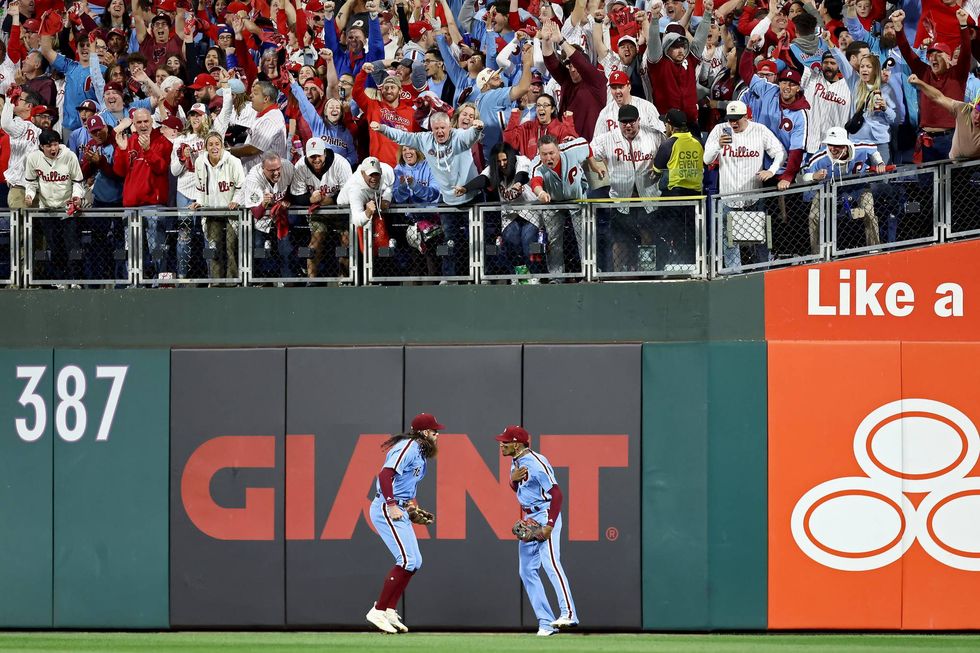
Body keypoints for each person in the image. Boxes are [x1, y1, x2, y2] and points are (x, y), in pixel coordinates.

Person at [366, 412, 444, 634]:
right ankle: (378, 610)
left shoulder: (419, 451)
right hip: (386, 507)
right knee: (407, 559)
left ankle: (389, 609)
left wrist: (411, 507)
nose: (437, 434)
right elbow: (385, 475)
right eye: (434, 431)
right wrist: (391, 504)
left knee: (415, 561)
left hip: (399, 506)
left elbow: (404, 482)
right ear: (422, 432)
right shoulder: (408, 447)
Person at [496, 425, 578, 637]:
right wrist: (512, 481)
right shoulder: (515, 463)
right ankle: (546, 622)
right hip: (529, 517)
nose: (502, 444)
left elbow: (557, 494)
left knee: (551, 563)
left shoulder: (536, 462)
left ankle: (569, 613)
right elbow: (521, 488)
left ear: (517, 443)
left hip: (545, 513)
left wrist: (549, 524)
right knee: (526, 570)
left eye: (506, 441)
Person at [703, 100, 786, 270]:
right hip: (728, 197)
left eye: (737, 119)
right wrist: (718, 145)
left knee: (759, 238)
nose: (733, 123)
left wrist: (771, 170)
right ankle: (735, 275)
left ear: (746, 116)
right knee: (729, 241)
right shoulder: (719, 130)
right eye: (730, 119)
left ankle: (762, 271)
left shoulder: (759, 130)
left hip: (754, 197)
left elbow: (780, 152)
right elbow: (706, 159)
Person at [801, 126, 885, 253]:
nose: (832, 149)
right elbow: (804, 177)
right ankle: (817, 253)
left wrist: (879, 162)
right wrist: (814, 176)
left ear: (845, 145)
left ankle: (873, 249)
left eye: (837, 145)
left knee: (869, 212)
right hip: (828, 189)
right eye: (830, 145)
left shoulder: (858, 148)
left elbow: (873, 149)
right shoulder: (820, 157)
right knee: (814, 216)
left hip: (858, 186)